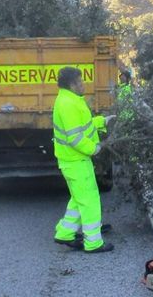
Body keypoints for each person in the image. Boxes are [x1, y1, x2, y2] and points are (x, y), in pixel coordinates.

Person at [52, 66, 114, 253]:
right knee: (89, 200)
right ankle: (94, 242)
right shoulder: (68, 104)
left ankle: (64, 233)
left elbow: (83, 127)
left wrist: (102, 121)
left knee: (78, 199)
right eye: (80, 82)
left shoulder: (70, 100)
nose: (83, 84)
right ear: (72, 85)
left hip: (73, 160)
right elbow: (75, 138)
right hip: (76, 160)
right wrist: (94, 149)